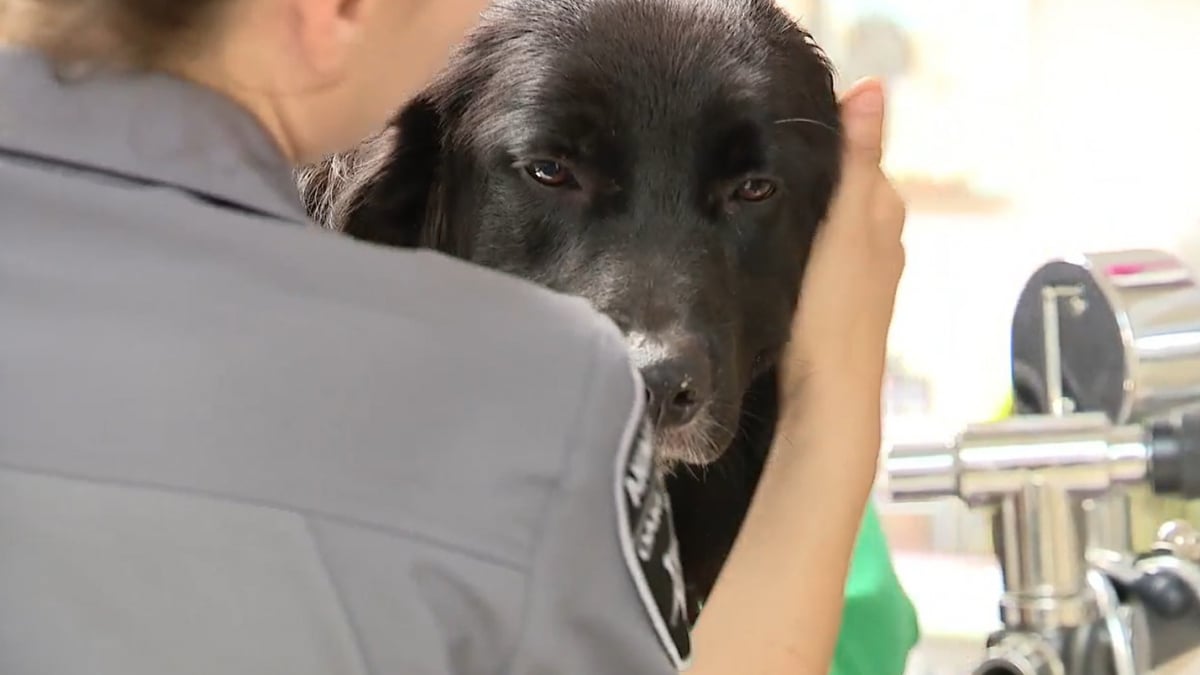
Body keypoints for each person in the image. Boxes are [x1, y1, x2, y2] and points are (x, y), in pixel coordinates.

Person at [0, 0, 906, 673]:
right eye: (551, 171)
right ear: (334, 11)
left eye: (753, 192)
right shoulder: (527, 409)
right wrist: (836, 403)